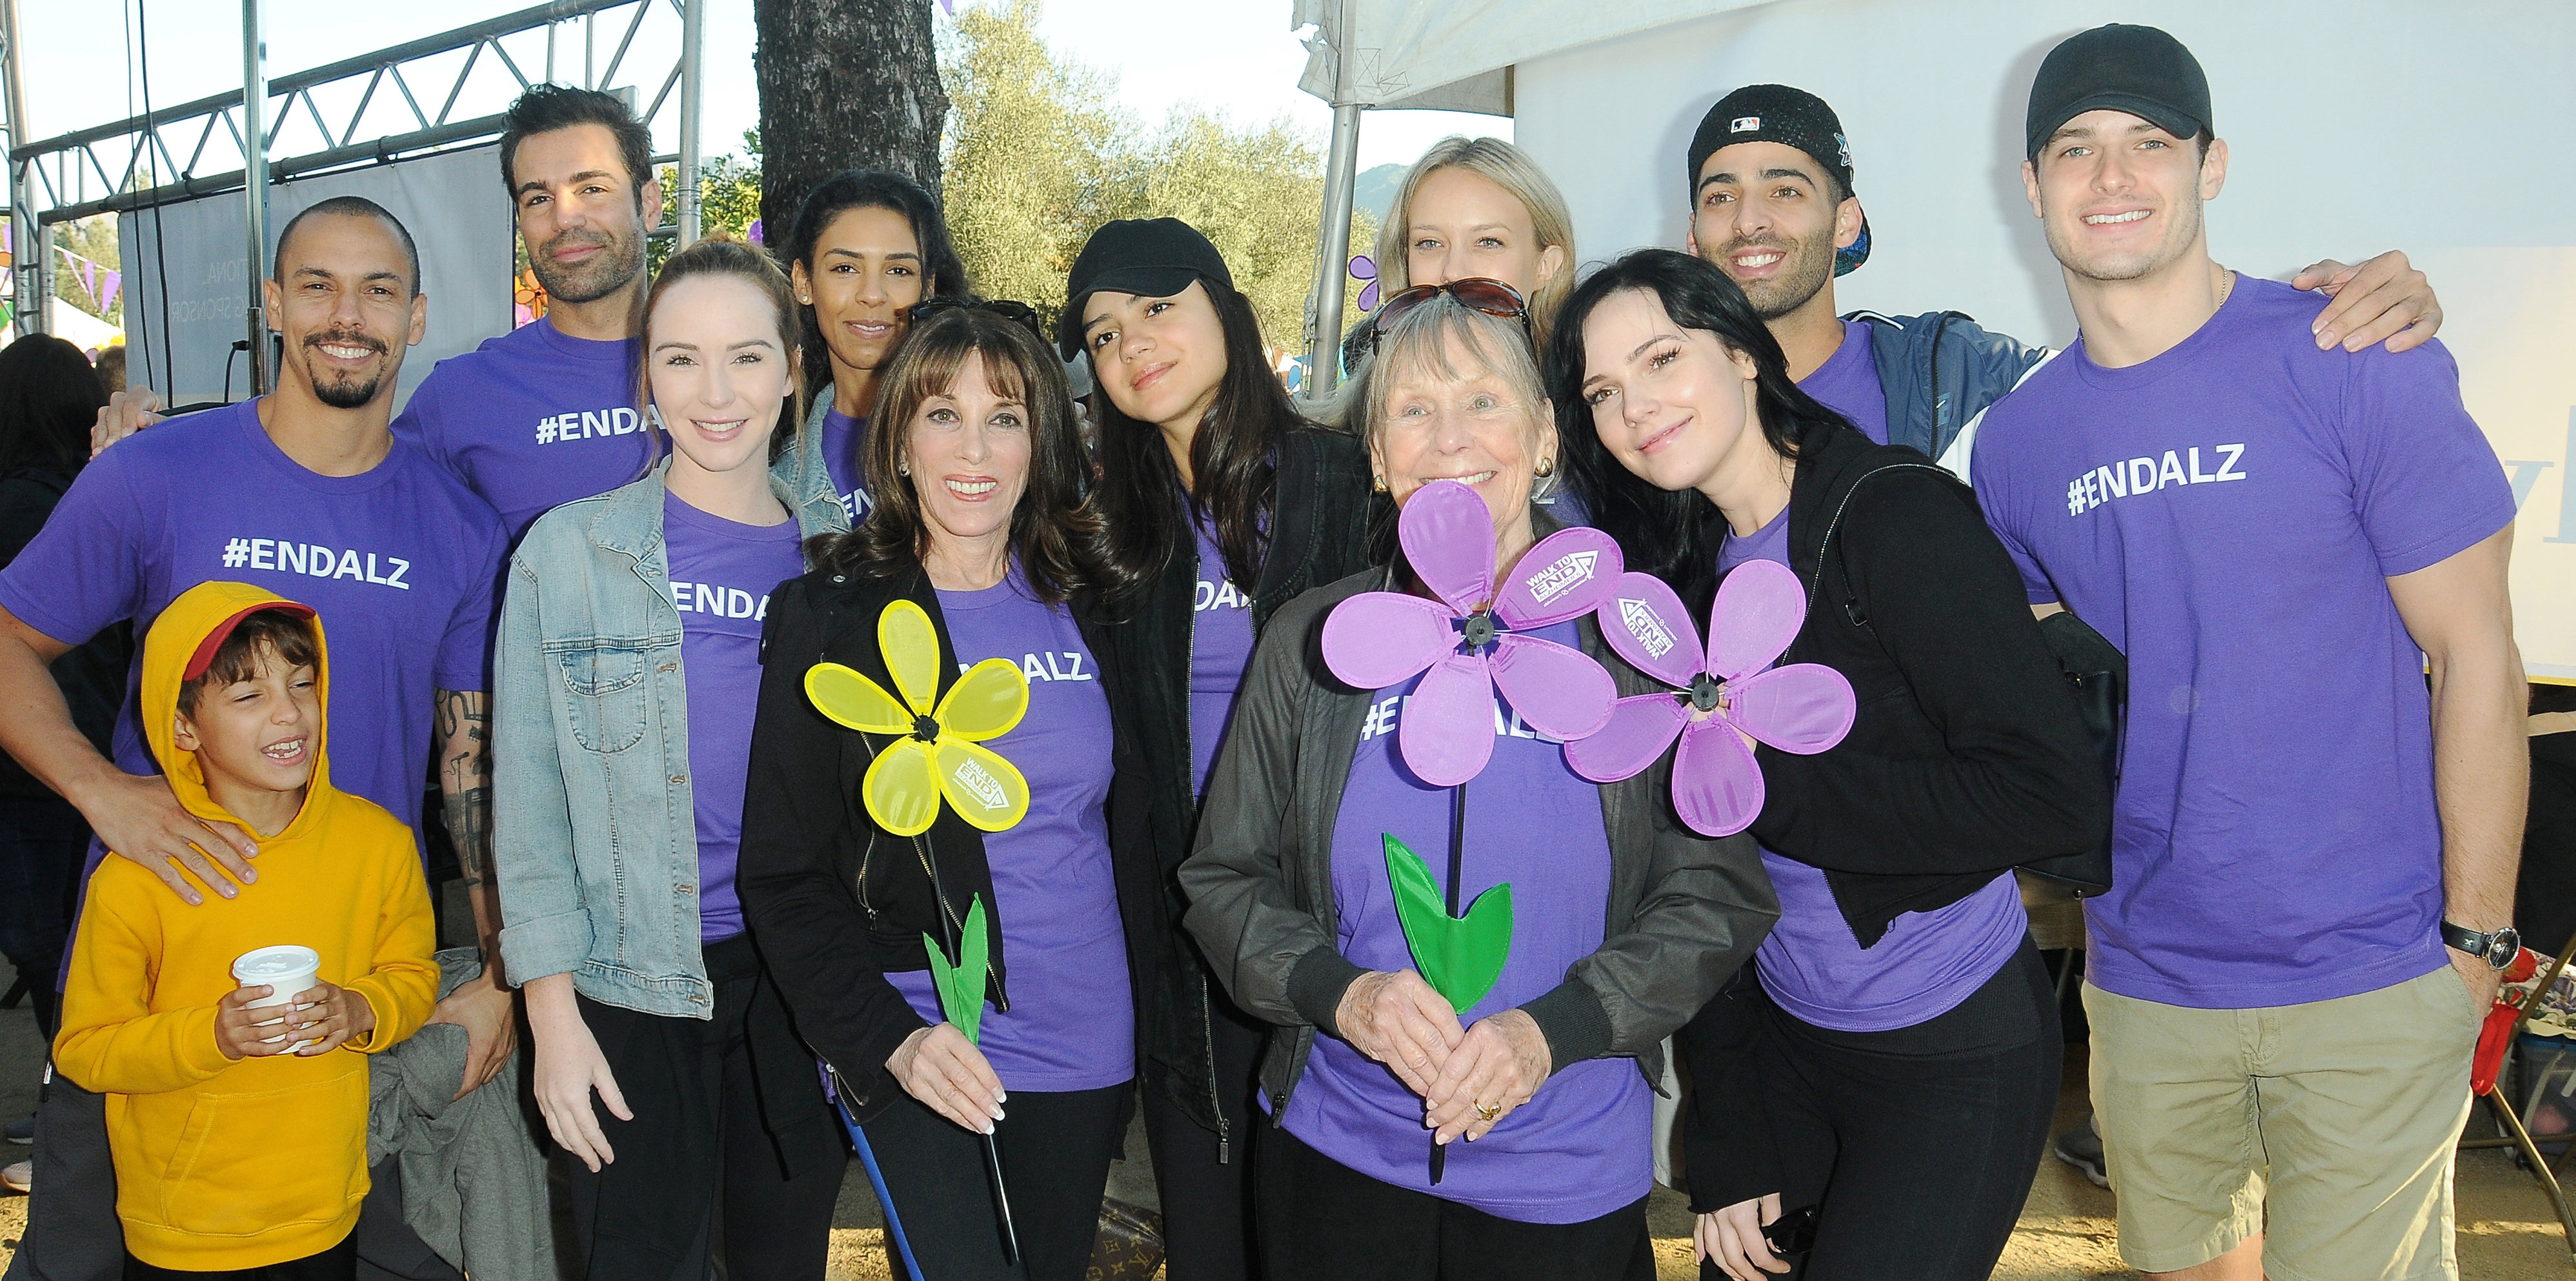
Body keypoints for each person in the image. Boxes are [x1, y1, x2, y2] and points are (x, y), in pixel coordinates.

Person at [1972, 26, 2524, 1280]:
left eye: (2148, 144)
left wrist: (2475, 947)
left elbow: (2479, 654)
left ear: (2209, 165)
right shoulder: (2017, 443)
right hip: (2148, 983)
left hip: (2372, 973)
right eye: (2075, 148)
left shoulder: (2346, 356)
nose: (2111, 178)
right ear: (2031, 181)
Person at [1180, 288, 1776, 1280]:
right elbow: (1222, 879)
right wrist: (1345, 995)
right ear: (1376, 456)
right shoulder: (1317, 644)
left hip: (1565, 1175)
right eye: (1412, 410)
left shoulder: (1638, 642)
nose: (1448, 439)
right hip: (1337, 1158)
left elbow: (1717, 893)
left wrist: (1555, 1031)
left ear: (1545, 435)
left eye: (1483, 402)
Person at [1549, 248, 2108, 1280]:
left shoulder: (1893, 514)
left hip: (1951, 1050)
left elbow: (2048, 793)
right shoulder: (1673, 577)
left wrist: (1778, 787)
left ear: (1741, 353)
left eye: (1661, 358)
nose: (1636, 407)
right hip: (1783, 1047)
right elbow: (1695, 871)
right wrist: (1729, 1132)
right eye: (1603, 392)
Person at [0, 197, 506, 1281]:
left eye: (378, 290)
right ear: (272, 304)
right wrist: (101, 789)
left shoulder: (459, 527)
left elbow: (473, 764)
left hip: (342, 1010)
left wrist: (502, 966)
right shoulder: (155, 473)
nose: (347, 313)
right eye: (316, 284)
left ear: (418, 318)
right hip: (153, 988)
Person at [740, 303, 1129, 1281]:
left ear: (1043, 441)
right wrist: (891, 1043)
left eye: (1005, 417)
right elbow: (782, 875)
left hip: (1087, 1036)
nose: (975, 448)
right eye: (942, 414)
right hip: (920, 1032)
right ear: (899, 442)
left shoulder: (1095, 599)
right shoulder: (829, 613)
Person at [494, 236, 848, 1278]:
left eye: (745, 356)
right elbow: (529, 802)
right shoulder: (568, 553)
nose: (716, 391)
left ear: (792, 368)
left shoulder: (844, 560)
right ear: (644, 376)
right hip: (627, 985)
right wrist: (549, 1014)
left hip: (795, 985)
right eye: (681, 358)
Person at [1064, 215, 1376, 1280]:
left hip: (1337, 939)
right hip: (1184, 947)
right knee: (1210, 1239)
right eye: (1103, 334)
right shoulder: (1111, 533)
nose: (1130, 345)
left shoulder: (1344, 486)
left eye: (1156, 309)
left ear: (1226, 313)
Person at [1680, 83, 2450, 470]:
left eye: (1785, 188)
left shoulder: (1960, 376)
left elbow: (2140, 373)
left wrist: (2347, 311)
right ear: (1691, 235)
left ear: (1845, 221)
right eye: (1721, 195)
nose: (1750, 220)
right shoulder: (1651, 411)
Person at [57, 583, 440, 1280]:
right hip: (184, 1226)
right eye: (247, 695)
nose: (289, 711)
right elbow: (86, 1048)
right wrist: (212, 1036)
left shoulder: (377, 844)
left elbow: (413, 976)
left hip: (327, 1207)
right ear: (183, 727)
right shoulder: (138, 873)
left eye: (302, 682)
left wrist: (361, 1008)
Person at [1, 335, 127, 1187]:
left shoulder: (17, 505)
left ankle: (79, 1129)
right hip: (104, 768)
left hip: (28, 778)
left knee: (55, 957)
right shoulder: (97, 501)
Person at [782, 168, 974, 523]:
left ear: (928, 289)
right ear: (803, 281)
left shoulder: (996, 439)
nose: (872, 295)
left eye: (899, 271)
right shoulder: (770, 467)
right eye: (845, 268)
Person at [1371, 138, 1577, 347]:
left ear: (1545, 266)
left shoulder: (1588, 375)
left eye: (1488, 242)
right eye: (1430, 243)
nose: (1453, 272)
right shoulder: (1376, 379)